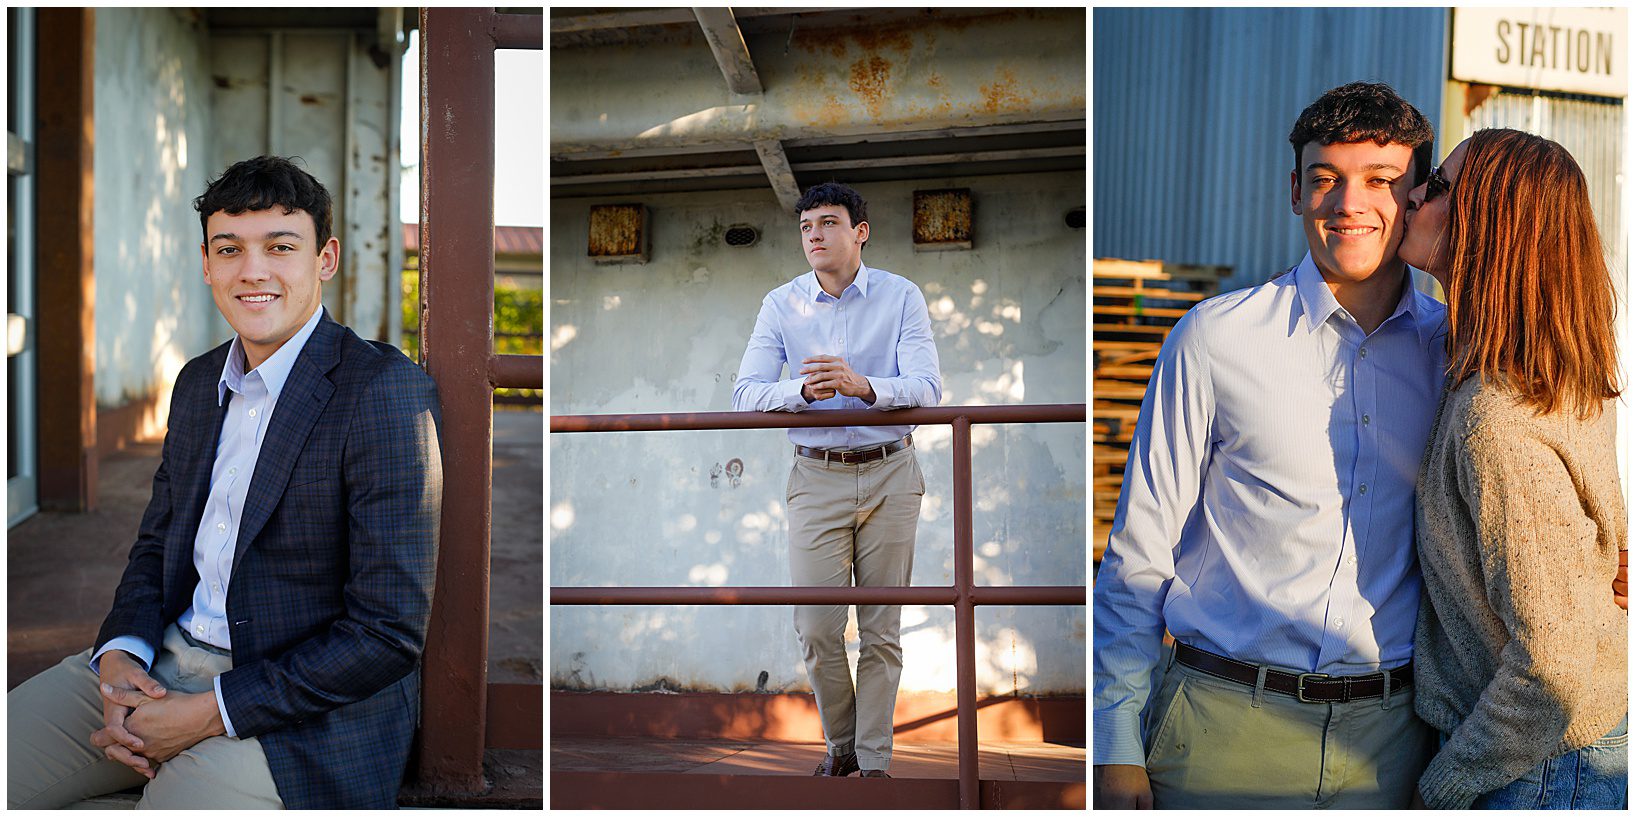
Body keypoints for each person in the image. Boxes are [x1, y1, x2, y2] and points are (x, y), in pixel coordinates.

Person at [7, 156, 443, 809]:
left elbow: (386, 632)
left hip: (303, 710)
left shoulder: (382, 392)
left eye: (280, 246)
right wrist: (121, 653)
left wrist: (211, 711)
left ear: (324, 259)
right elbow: (154, 548)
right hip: (162, 662)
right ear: (207, 263)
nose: (253, 270)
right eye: (230, 248)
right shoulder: (196, 383)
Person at [1397, 128, 1626, 809]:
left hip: (1532, 766)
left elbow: (1549, 667)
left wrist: (1445, 785)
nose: (1412, 194)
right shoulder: (1547, 375)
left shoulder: (1495, 415)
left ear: (1489, 227)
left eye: (1437, 187)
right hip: (1551, 752)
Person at [732, 181, 942, 779]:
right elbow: (745, 395)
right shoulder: (780, 304)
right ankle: (844, 746)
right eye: (806, 227)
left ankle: (871, 763)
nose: (815, 235)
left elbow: (928, 388)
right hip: (815, 475)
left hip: (892, 471)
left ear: (860, 232)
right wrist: (801, 391)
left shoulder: (902, 297)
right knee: (818, 628)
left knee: (882, 629)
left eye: (828, 222)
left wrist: (864, 387)